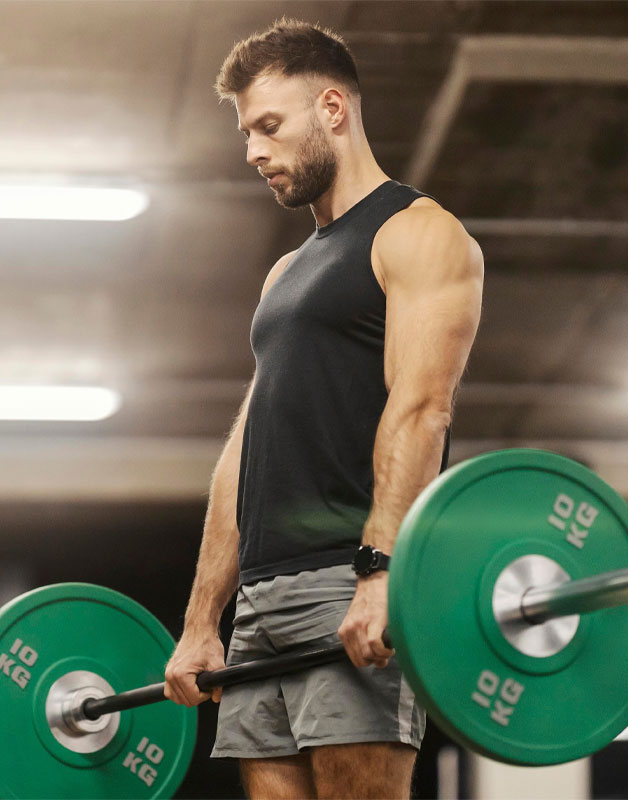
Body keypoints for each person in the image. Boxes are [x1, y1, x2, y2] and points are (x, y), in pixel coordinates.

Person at [163, 18, 483, 800]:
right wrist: (204, 618)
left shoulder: (419, 235)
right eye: (246, 133)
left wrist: (381, 573)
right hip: (262, 602)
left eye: (269, 126)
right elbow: (249, 448)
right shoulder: (283, 276)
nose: (253, 152)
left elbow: (422, 412)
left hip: (345, 582)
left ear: (332, 109)